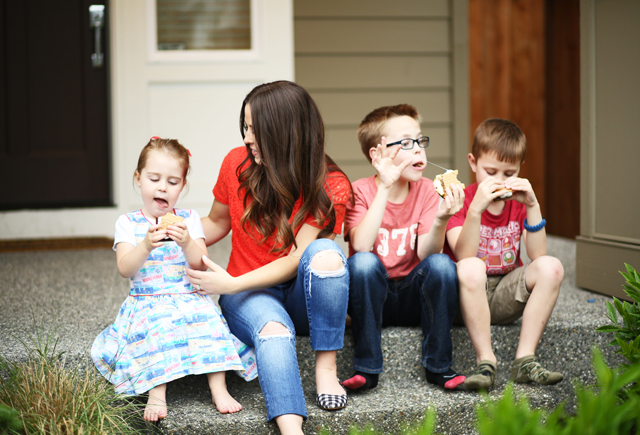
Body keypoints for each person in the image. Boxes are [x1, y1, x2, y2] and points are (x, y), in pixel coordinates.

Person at [185, 81, 352, 435]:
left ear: (286, 133)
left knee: (327, 254)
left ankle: (326, 371)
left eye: (255, 129)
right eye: (245, 126)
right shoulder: (236, 163)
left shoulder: (331, 184)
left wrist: (230, 283)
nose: (247, 138)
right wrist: (174, 229)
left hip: (299, 296)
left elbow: (295, 260)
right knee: (273, 331)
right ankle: (292, 430)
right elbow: (216, 222)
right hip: (251, 298)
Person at [92, 137, 256, 422]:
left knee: (210, 319)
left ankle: (219, 388)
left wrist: (188, 242)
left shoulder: (189, 220)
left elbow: (199, 263)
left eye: (172, 181)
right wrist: (145, 245)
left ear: (182, 186)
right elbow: (125, 268)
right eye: (154, 178)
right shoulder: (128, 224)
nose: (162, 187)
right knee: (158, 327)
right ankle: (157, 392)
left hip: (189, 296)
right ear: (139, 179)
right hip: (148, 302)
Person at [341, 104, 466, 393]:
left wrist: (441, 218)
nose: (419, 150)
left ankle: (439, 367)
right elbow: (361, 245)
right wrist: (385, 187)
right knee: (361, 263)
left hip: (413, 296)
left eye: (420, 141)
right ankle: (366, 368)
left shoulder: (427, 190)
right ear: (377, 154)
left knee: (443, 265)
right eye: (406, 144)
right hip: (372, 297)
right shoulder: (360, 190)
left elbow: (427, 255)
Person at [444, 118, 564, 390]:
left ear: (520, 169)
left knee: (552, 267)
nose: (500, 180)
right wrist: (475, 210)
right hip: (469, 298)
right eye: (490, 171)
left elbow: (538, 255)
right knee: (471, 266)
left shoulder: (518, 202)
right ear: (473, 163)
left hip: (505, 295)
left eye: (509, 173)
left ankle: (524, 360)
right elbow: (464, 255)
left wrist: (532, 204)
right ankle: (486, 361)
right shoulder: (462, 200)